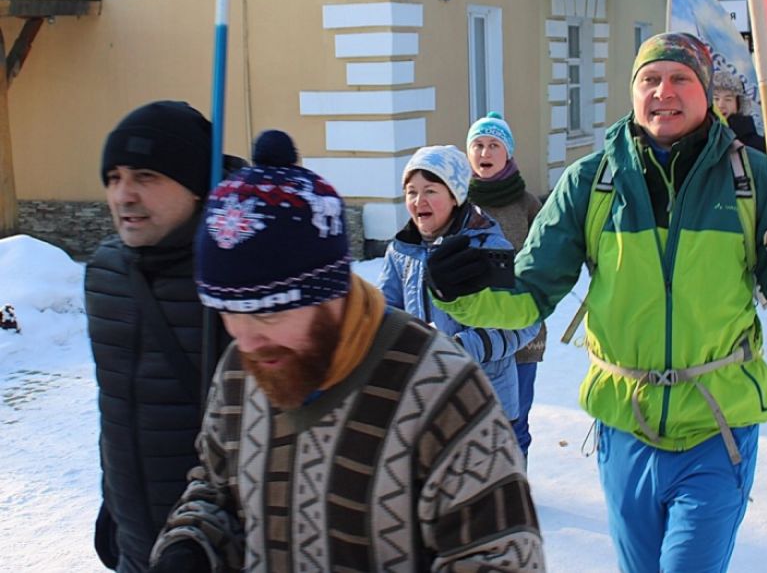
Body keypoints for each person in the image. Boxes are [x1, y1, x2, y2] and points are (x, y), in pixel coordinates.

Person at [426, 32, 767, 571]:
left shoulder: (754, 179)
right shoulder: (590, 182)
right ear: (633, 93)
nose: (664, 90)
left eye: (680, 78)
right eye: (650, 79)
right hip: (625, 423)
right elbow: (528, 297)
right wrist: (465, 293)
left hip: (718, 425)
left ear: (706, 92)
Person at [147, 137, 542, 571]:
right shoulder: (242, 368)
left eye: (270, 312)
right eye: (229, 312)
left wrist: (451, 346)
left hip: (491, 382)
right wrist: (191, 544)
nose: (247, 341)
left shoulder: (442, 392)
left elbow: (498, 554)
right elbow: (218, 485)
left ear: (327, 294)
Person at [86, 101, 238, 572]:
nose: (124, 195)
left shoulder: (239, 278)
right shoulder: (104, 274)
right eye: (114, 177)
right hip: (135, 544)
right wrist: (113, 507)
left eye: (146, 176)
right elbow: (116, 408)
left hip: (219, 551)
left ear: (197, 187)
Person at [376, 144, 538, 434]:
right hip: (424, 402)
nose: (418, 200)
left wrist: (460, 347)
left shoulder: (489, 247)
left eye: (430, 191)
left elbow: (525, 324)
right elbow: (384, 315)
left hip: (486, 402)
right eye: (411, 192)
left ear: (455, 196)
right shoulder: (401, 251)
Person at [465, 113, 546, 458]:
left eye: (494, 145)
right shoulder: (457, 201)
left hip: (519, 333)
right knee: (472, 418)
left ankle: (516, 489)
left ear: (507, 153)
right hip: (471, 332)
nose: (485, 151)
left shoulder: (527, 203)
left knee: (516, 419)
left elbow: (546, 258)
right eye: (478, 145)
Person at [712, 69, 766, 152]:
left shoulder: (756, 145)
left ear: (739, 103)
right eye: (716, 99)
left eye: (728, 99)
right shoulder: (701, 140)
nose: (721, 105)